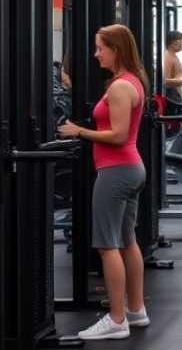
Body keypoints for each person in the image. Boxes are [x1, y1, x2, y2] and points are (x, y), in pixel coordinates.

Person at [57, 24, 150, 340]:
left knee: (107, 246)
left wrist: (79, 132)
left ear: (116, 48)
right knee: (126, 240)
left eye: (100, 48)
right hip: (128, 169)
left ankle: (116, 319)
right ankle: (135, 311)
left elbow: (119, 135)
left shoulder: (120, 87)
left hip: (117, 172)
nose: (96, 54)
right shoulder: (131, 81)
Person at [163, 30, 182, 103]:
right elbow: (165, 81)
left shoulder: (173, 55)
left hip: (176, 94)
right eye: (180, 40)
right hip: (171, 95)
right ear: (172, 41)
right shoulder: (167, 56)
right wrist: (181, 82)